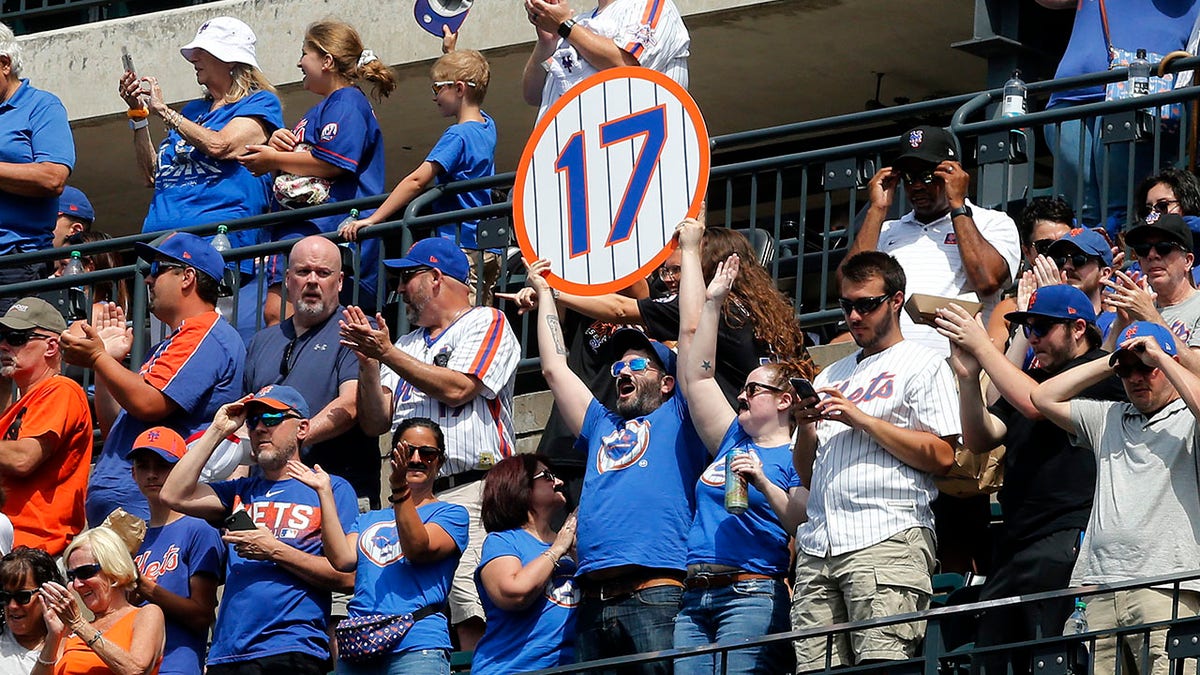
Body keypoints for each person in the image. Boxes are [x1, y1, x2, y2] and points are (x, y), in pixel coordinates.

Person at [525, 256, 707, 672]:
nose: (623, 371)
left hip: (656, 595)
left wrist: (692, 250)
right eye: (619, 366)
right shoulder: (600, 423)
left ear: (666, 382)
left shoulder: (680, 415)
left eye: (638, 364)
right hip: (592, 600)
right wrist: (546, 293)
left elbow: (694, 334)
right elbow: (555, 369)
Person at [936, 285, 1125, 674]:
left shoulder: (1099, 369)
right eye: (1027, 327)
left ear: (1077, 327)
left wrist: (985, 349)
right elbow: (979, 437)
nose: (1033, 337)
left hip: (1066, 532)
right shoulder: (1029, 378)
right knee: (992, 661)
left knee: (1050, 659)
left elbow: (1036, 404)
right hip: (1014, 541)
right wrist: (969, 379)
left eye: (1041, 328)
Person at [341, 238, 519, 650]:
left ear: (437, 278)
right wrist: (369, 366)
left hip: (475, 487)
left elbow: (459, 388)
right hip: (414, 496)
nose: (400, 289)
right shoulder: (406, 345)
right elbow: (375, 421)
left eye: (408, 277)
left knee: (469, 596)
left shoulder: (486, 321)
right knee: (421, 599)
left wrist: (385, 353)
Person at [791, 250, 959, 670]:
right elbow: (807, 472)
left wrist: (862, 419)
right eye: (847, 305)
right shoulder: (829, 374)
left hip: (887, 536)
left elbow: (942, 455)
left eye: (866, 304)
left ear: (896, 300)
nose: (853, 315)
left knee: (881, 667)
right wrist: (807, 425)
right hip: (819, 544)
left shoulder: (924, 364)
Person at [673, 217, 808, 675]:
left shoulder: (797, 453)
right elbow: (698, 374)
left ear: (786, 401)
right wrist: (712, 303)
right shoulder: (732, 434)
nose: (743, 396)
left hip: (751, 592)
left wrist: (763, 482)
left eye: (755, 390)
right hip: (695, 595)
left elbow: (798, 519)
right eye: (745, 390)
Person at [1032, 321, 1200, 675]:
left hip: (1167, 587)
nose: (1136, 377)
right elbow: (1043, 397)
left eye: (1146, 369)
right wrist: (1112, 360)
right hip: (1099, 588)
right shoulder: (1108, 416)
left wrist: (1162, 356)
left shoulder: (1189, 416)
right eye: (1128, 370)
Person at [159, 385, 357, 675]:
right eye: (253, 421)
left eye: (272, 418)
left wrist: (274, 551)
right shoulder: (242, 490)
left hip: (291, 647)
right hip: (227, 652)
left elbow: (346, 576)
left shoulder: (330, 487)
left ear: (302, 428)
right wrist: (218, 429)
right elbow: (173, 495)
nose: (260, 428)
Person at [60, 232, 246, 526]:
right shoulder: (171, 343)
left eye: (157, 270)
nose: (147, 280)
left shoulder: (207, 335)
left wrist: (98, 358)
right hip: (123, 504)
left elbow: (149, 404)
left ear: (187, 277)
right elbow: (116, 425)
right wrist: (108, 363)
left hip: (152, 511)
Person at [516, 226, 811, 407]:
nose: (670, 279)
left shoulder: (708, 306)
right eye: (665, 271)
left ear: (705, 267)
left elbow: (620, 309)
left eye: (679, 269)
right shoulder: (769, 313)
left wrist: (550, 291)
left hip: (738, 436)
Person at [237, 20, 394, 318]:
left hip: (324, 231)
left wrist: (273, 158)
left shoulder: (346, 100)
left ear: (327, 60)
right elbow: (303, 170)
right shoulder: (321, 108)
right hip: (310, 231)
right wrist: (280, 146)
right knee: (283, 318)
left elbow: (332, 163)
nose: (299, 62)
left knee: (279, 314)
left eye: (304, 53)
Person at [287, 417, 468, 675]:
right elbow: (341, 559)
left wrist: (399, 488)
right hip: (360, 645)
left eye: (427, 453)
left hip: (416, 644)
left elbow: (417, 548)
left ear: (439, 462)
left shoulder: (451, 514)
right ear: (393, 457)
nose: (416, 459)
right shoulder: (369, 519)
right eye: (407, 452)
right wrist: (324, 493)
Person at [118, 16, 283, 277]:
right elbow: (153, 174)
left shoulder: (260, 103)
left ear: (229, 58)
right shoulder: (194, 111)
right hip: (163, 255)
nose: (193, 58)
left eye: (202, 52)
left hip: (220, 258)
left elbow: (222, 145)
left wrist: (164, 112)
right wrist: (138, 115)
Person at [844, 125, 1021, 357]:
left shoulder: (992, 223)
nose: (917, 185)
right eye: (909, 177)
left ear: (952, 174)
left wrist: (958, 205)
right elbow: (849, 285)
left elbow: (987, 281)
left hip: (961, 367)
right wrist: (877, 209)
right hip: (893, 367)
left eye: (927, 176)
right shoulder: (887, 229)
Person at [339, 50, 499, 305]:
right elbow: (472, 87)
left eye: (437, 88)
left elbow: (417, 181)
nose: (434, 96)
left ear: (459, 89)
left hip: (460, 246)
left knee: (457, 319)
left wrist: (374, 218)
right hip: (485, 247)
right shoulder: (487, 125)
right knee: (480, 316)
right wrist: (451, 51)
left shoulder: (457, 135)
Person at [1036, 0, 1199, 234]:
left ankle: (1126, 267)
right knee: (1084, 212)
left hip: (1141, 95)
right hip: (1070, 96)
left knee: (1124, 210)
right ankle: (1092, 266)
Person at [244, 236, 379, 508]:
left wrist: (291, 439)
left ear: (340, 281)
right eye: (303, 272)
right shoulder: (262, 341)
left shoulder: (357, 328)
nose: (312, 280)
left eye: (323, 273)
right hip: (269, 496)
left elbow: (351, 404)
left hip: (337, 491)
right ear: (288, 279)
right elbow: (247, 419)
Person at [0, 297, 91, 558]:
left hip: (34, 556)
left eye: (16, 337)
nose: (4, 345)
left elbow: (24, 459)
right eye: (2, 336)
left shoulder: (60, 389)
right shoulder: (17, 403)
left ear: (51, 346)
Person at [128, 426, 223, 675]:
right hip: (133, 663)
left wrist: (147, 588)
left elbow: (202, 614)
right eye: (143, 466)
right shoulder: (134, 536)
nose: (151, 474)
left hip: (177, 664)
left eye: (162, 465)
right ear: (133, 473)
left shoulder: (200, 529)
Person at [472, 455, 578, 674]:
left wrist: (576, 552)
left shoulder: (570, 544)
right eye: (547, 476)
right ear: (519, 486)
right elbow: (514, 593)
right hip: (511, 669)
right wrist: (557, 549)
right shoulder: (502, 541)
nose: (558, 482)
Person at [0, 21, 75, 310]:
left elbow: (53, 177)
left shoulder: (42, 106)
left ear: (5, 63)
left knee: (15, 354)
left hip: (16, 263)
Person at [521, 0, 690, 118]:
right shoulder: (576, 23)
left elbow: (626, 66)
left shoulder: (651, 4)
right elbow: (532, 95)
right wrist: (547, 43)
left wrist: (564, 25)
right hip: (572, 160)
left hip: (633, 157)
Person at [34, 527, 166, 675]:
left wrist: (79, 624)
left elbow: (136, 669)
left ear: (114, 569)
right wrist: (53, 636)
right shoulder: (72, 629)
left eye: (85, 572)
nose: (77, 584)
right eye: (72, 576)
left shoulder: (146, 614)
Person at [1103, 214, 1200, 374]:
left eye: (1164, 247)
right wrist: (1122, 323)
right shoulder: (1135, 309)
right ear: (1139, 262)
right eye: (1143, 249)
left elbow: (1198, 371)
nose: (1152, 255)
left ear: (1188, 261)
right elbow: (1102, 378)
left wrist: (1149, 316)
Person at [0, 547, 65, 674]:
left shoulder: (74, 645)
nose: (12, 606)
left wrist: (54, 638)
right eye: (5, 597)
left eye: (22, 597)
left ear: (48, 594)